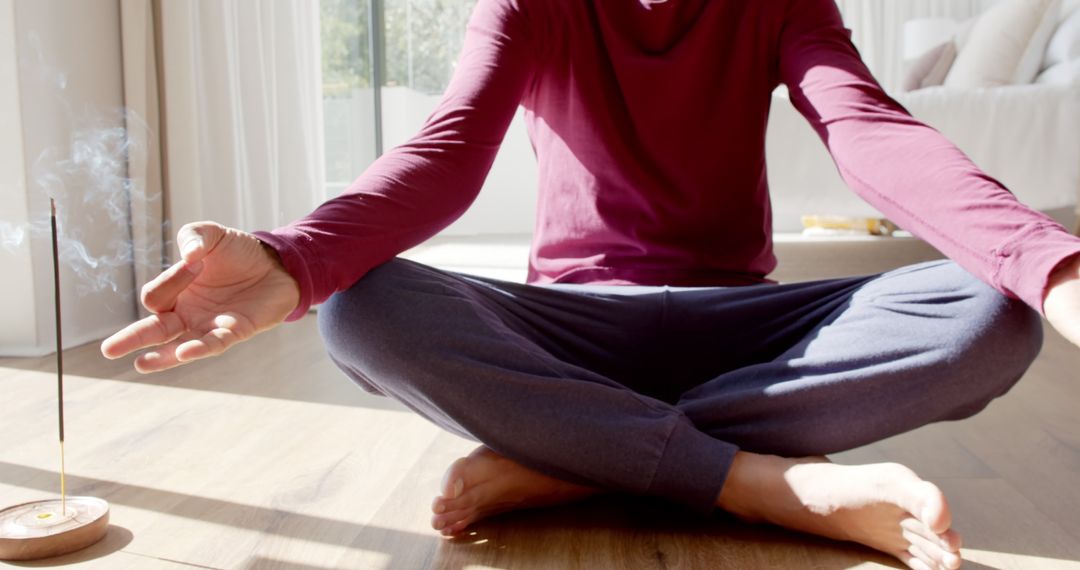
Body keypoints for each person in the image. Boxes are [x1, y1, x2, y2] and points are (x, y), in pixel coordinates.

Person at [101, 1, 1080, 569]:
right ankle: (763, 485)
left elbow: (868, 129)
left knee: (989, 310)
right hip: (574, 319)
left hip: (742, 318)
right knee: (365, 303)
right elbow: (448, 152)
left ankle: (577, 457)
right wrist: (298, 258)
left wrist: (1053, 264)